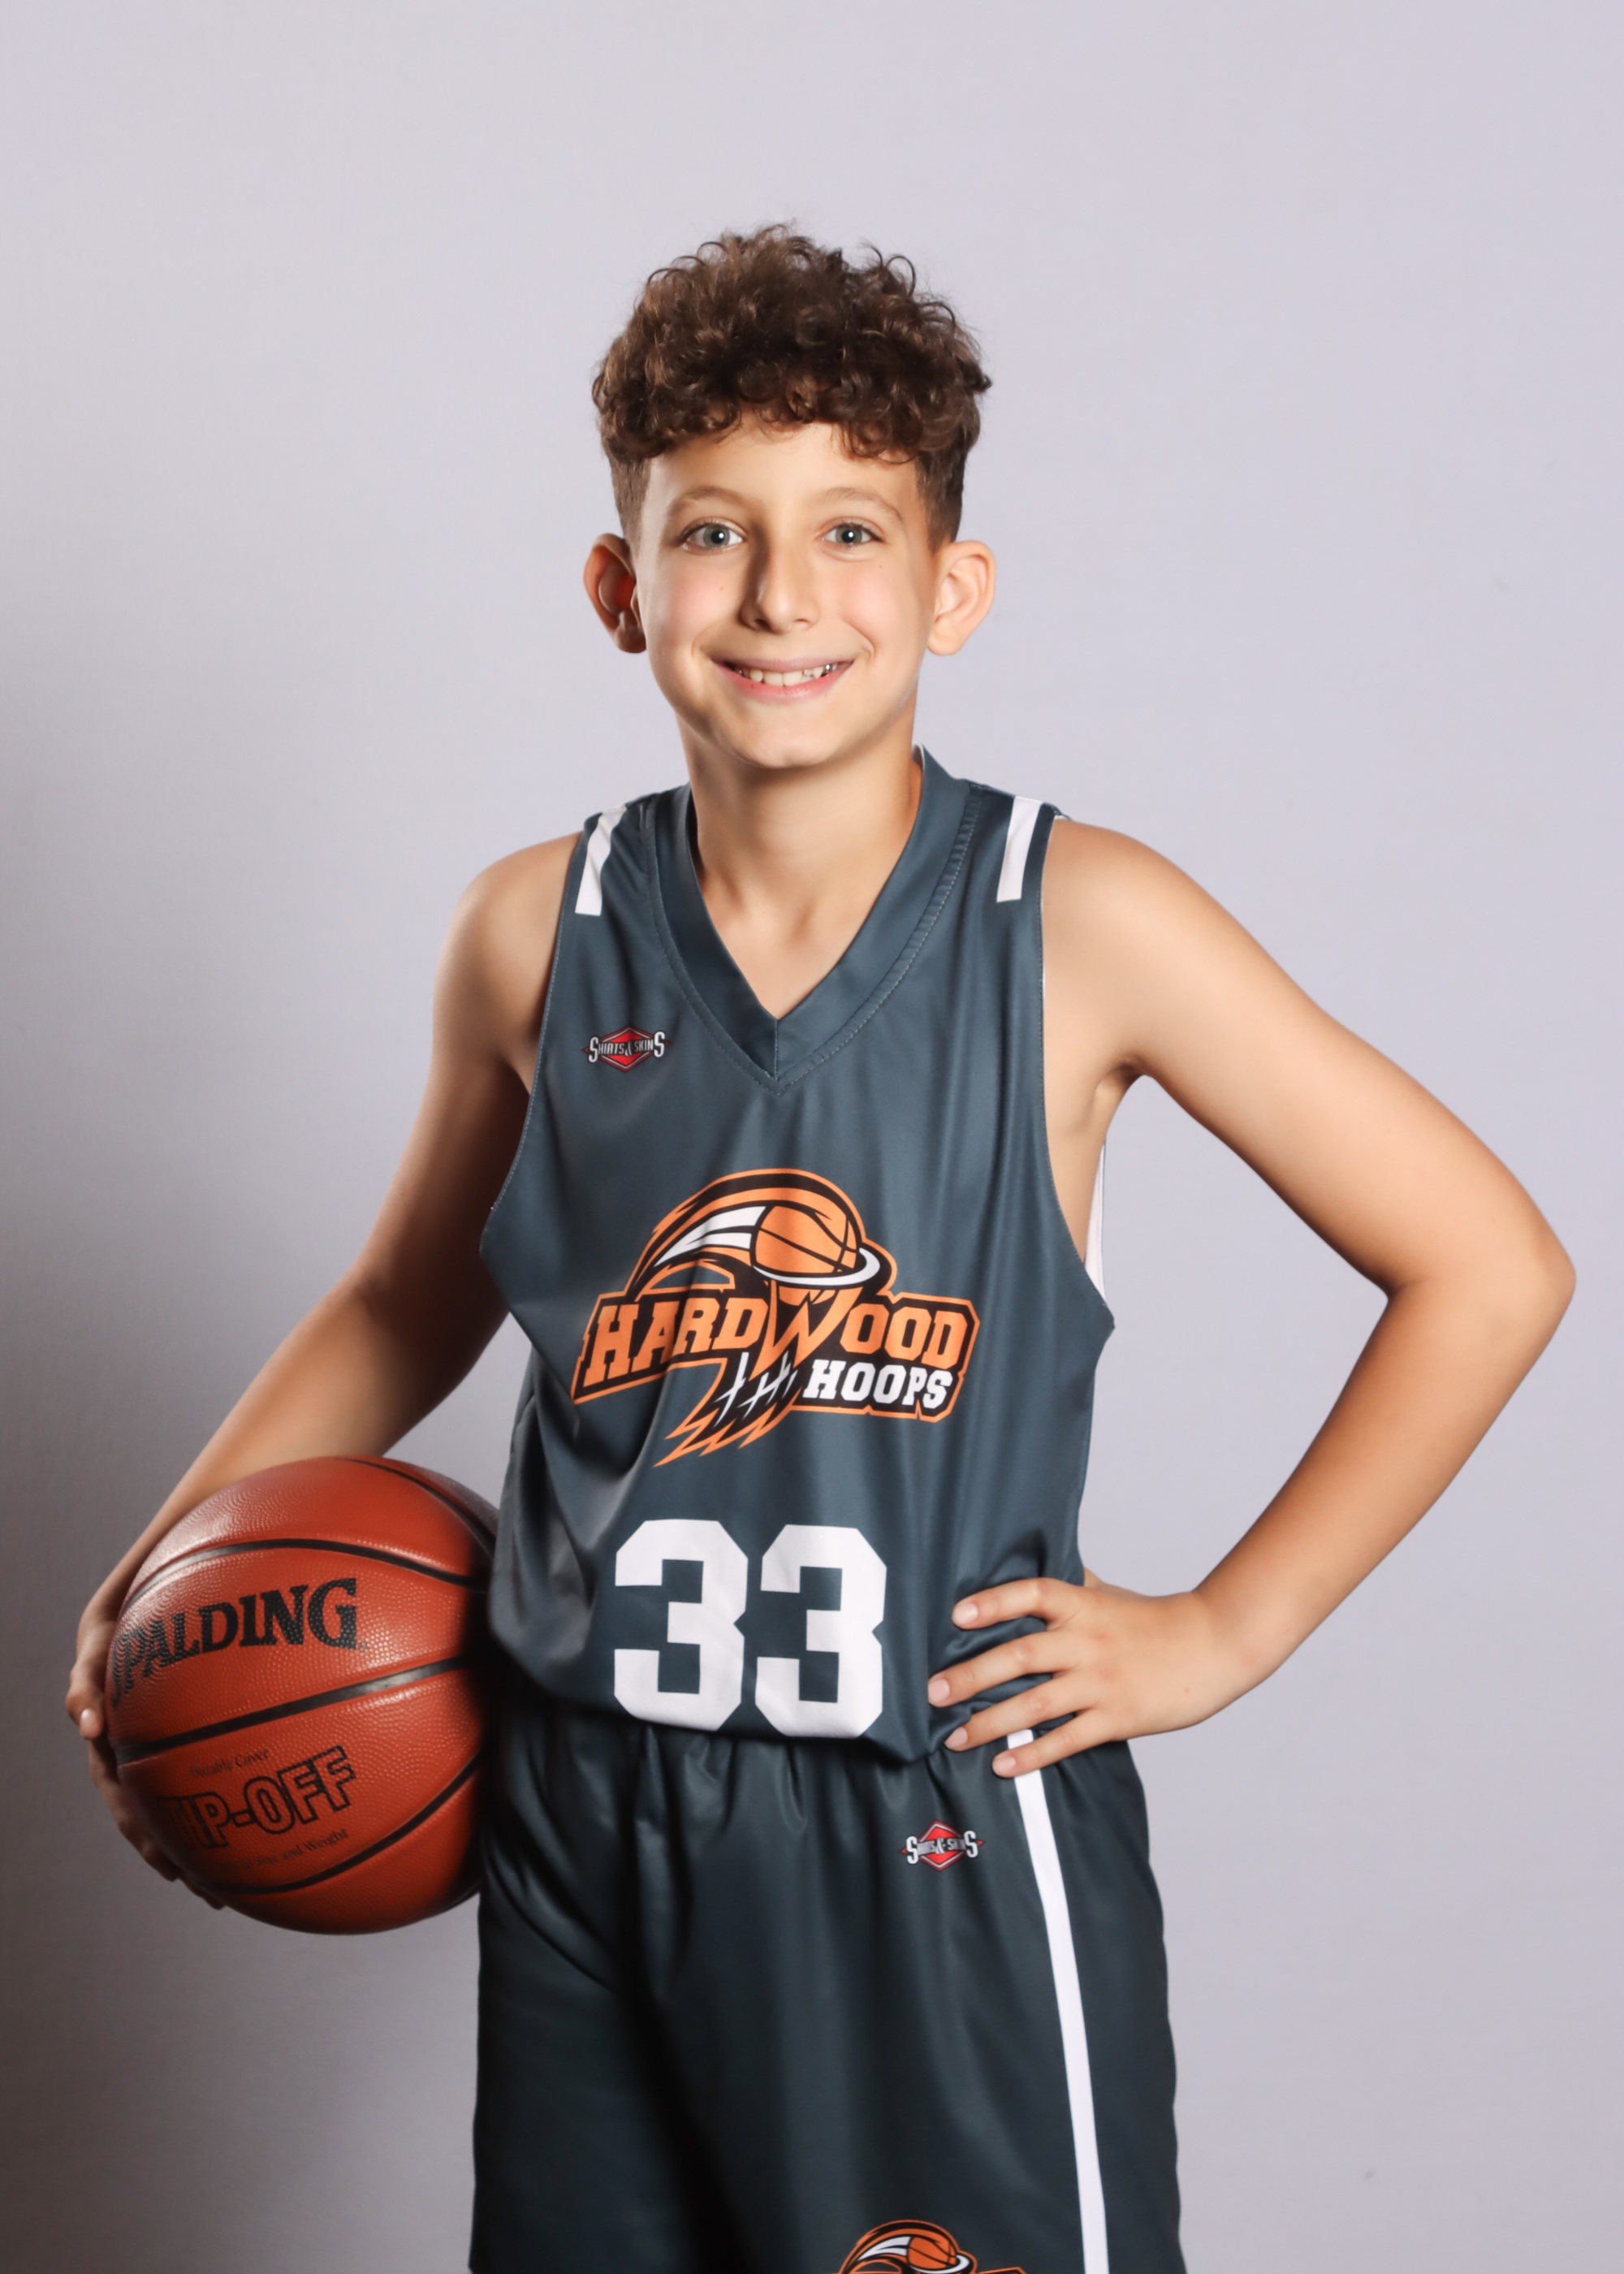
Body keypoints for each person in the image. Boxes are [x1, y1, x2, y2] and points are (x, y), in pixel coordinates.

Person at [67, 228, 1573, 2274]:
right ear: (622, 588)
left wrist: (1229, 1626)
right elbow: (408, 1296)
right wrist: (163, 1569)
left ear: (950, 586)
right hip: (582, 1804)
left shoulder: (1080, 921)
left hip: (919, 1819)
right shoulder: (533, 931)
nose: (780, 594)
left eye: (850, 529)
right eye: (712, 532)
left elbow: (1488, 1262)